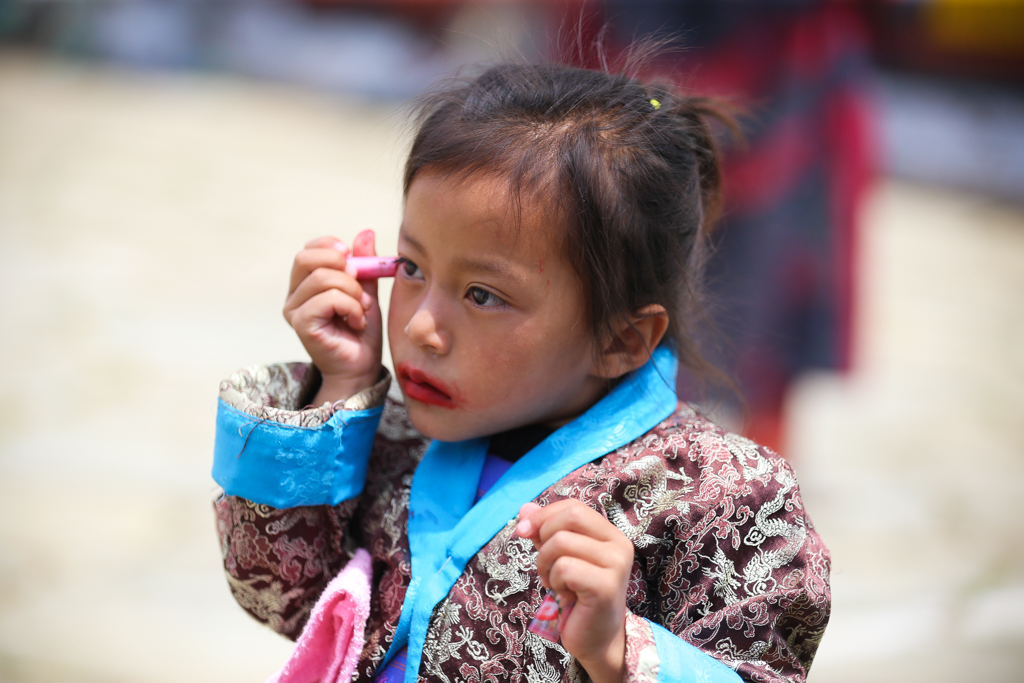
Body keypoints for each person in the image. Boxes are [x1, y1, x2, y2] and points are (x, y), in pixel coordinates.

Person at [212, 60, 830, 683]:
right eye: (412, 268)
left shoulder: (721, 499)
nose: (421, 327)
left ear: (621, 339)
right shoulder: (392, 440)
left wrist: (619, 652)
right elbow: (280, 594)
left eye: (483, 295)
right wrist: (340, 385)